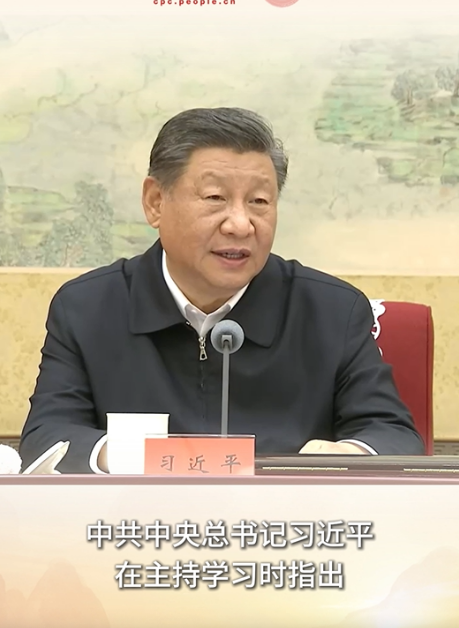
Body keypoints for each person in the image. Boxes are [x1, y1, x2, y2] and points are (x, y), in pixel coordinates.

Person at [20, 108, 424, 473]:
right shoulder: (88, 308)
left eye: (259, 201)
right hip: (137, 525)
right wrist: (137, 457)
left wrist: (351, 454)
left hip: (283, 525)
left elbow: (393, 435)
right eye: (215, 198)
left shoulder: (332, 310)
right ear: (155, 202)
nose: (240, 224)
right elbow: (47, 437)